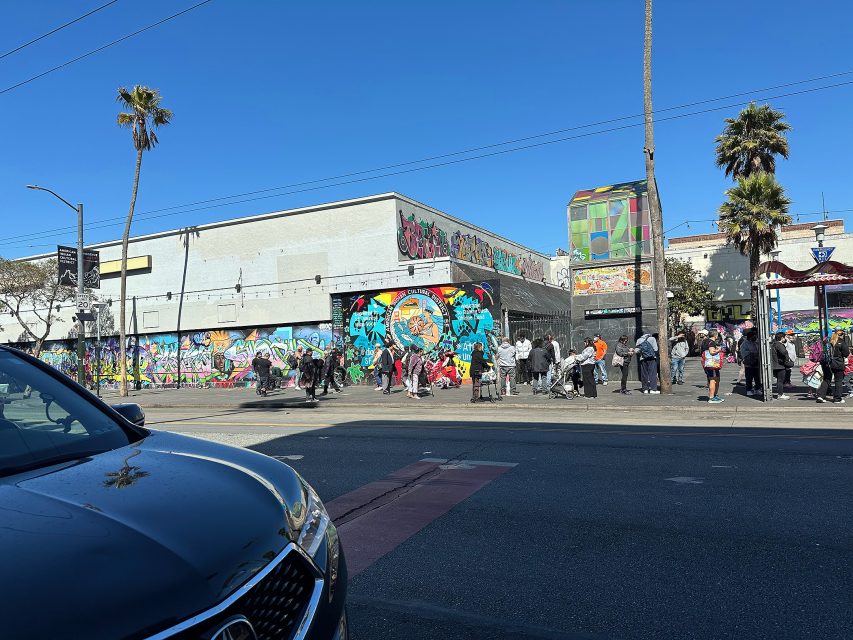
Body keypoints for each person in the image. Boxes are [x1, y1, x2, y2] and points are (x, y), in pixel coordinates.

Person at [816, 329, 850, 404]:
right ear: (841, 334)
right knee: (838, 381)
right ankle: (837, 398)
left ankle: (820, 396)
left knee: (826, 379)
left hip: (826, 363)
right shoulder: (841, 341)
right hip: (838, 364)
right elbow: (846, 353)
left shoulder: (825, 341)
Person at [701, 334, 724, 403]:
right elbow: (711, 352)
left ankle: (714, 395)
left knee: (715, 379)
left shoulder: (705, 341)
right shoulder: (712, 342)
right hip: (712, 364)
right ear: (715, 335)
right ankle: (712, 397)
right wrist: (718, 350)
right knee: (713, 380)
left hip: (707, 363)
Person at [770, 332, 792, 400]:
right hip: (780, 365)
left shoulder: (774, 344)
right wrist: (787, 360)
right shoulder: (779, 344)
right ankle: (780, 394)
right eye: (785, 337)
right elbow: (784, 352)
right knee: (780, 381)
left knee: (779, 380)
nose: (786, 339)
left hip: (775, 365)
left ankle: (780, 394)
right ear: (782, 338)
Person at [739, 329, 761, 397]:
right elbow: (743, 353)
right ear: (750, 337)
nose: (755, 337)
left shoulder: (756, 342)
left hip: (757, 363)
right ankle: (749, 390)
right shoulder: (744, 344)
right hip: (749, 364)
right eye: (754, 336)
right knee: (749, 378)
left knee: (757, 377)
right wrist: (752, 353)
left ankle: (757, 389)